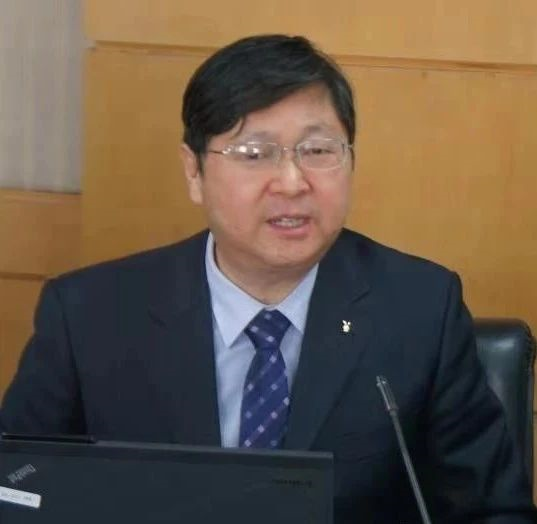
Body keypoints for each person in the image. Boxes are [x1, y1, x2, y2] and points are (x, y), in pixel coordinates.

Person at [0, 34, 535, 522]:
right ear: (194, 171)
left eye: (318, 150)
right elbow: (14, 493)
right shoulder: (89, 316)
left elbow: (494, 512)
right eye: (254, 154)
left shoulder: (421, 310)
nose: (292, 181)